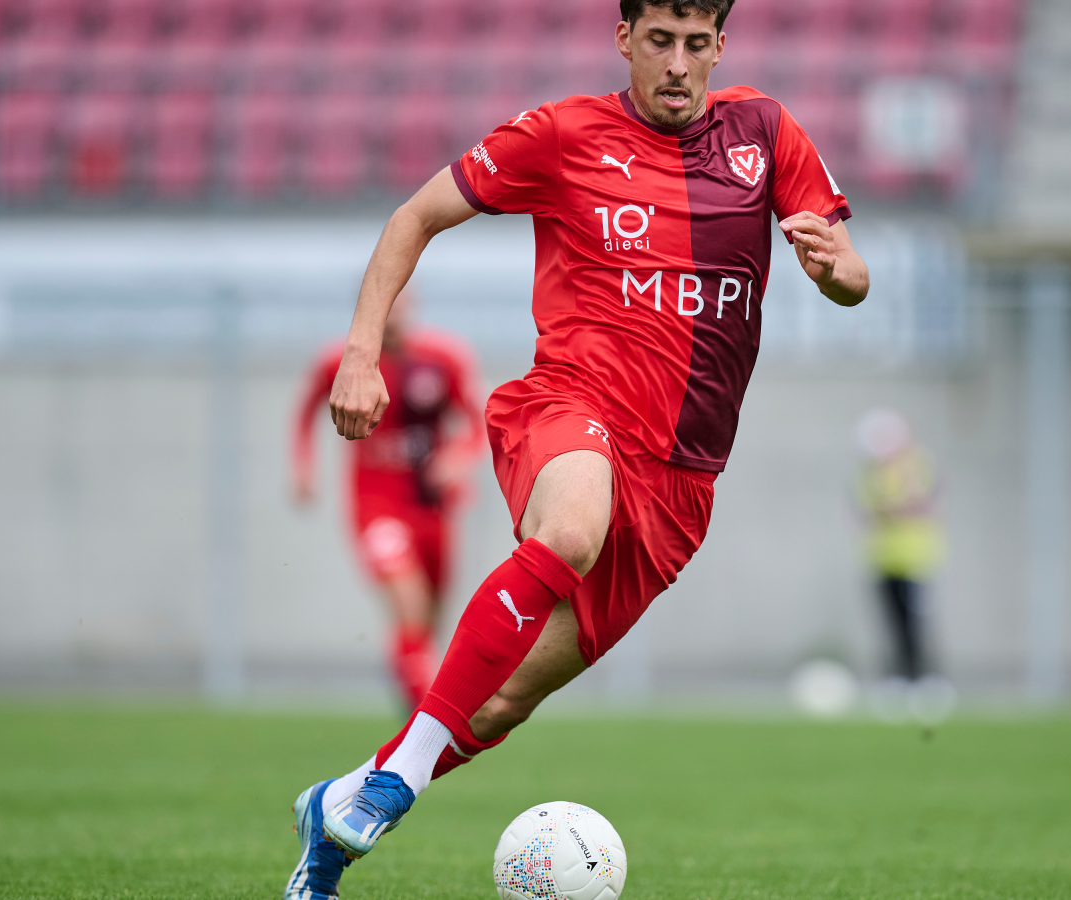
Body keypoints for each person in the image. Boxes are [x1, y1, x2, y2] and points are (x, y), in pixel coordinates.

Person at [284, 2, 870, 896]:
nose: (678, 64)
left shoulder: (764, 130)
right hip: (571, 407)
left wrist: (835, 272)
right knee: (570, 531)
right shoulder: (562, 135)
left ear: (721, 45)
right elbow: (414, 216)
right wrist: (362, 353)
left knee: (499, 702)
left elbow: (853, 277)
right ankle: (395, 786)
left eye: (697, 45)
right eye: (660, 42)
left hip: (683, 480)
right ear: (625, 39)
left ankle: (338, 811)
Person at [291, 291, 484, 711]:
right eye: (383, 300)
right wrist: (303, 467)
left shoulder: (443, 358)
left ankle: (410, 681)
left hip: (432, 507)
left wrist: (459, 456)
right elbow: (305, 410)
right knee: (409, 606)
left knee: (429, 623)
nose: (393, 310)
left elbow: (478, 422)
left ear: (412, 303)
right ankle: (427, 722)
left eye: (400, 300)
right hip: (376, 507)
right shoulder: (340, 363)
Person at [855, 408, 950, 716]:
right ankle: (898, 677)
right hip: (883, 558)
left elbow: (921, 503)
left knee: (916, 623)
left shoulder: (917, 464)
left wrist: (894, 508)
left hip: (915, 558)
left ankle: (925, 679)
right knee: (892, 622)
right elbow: (869, 509)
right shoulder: (870, 472)